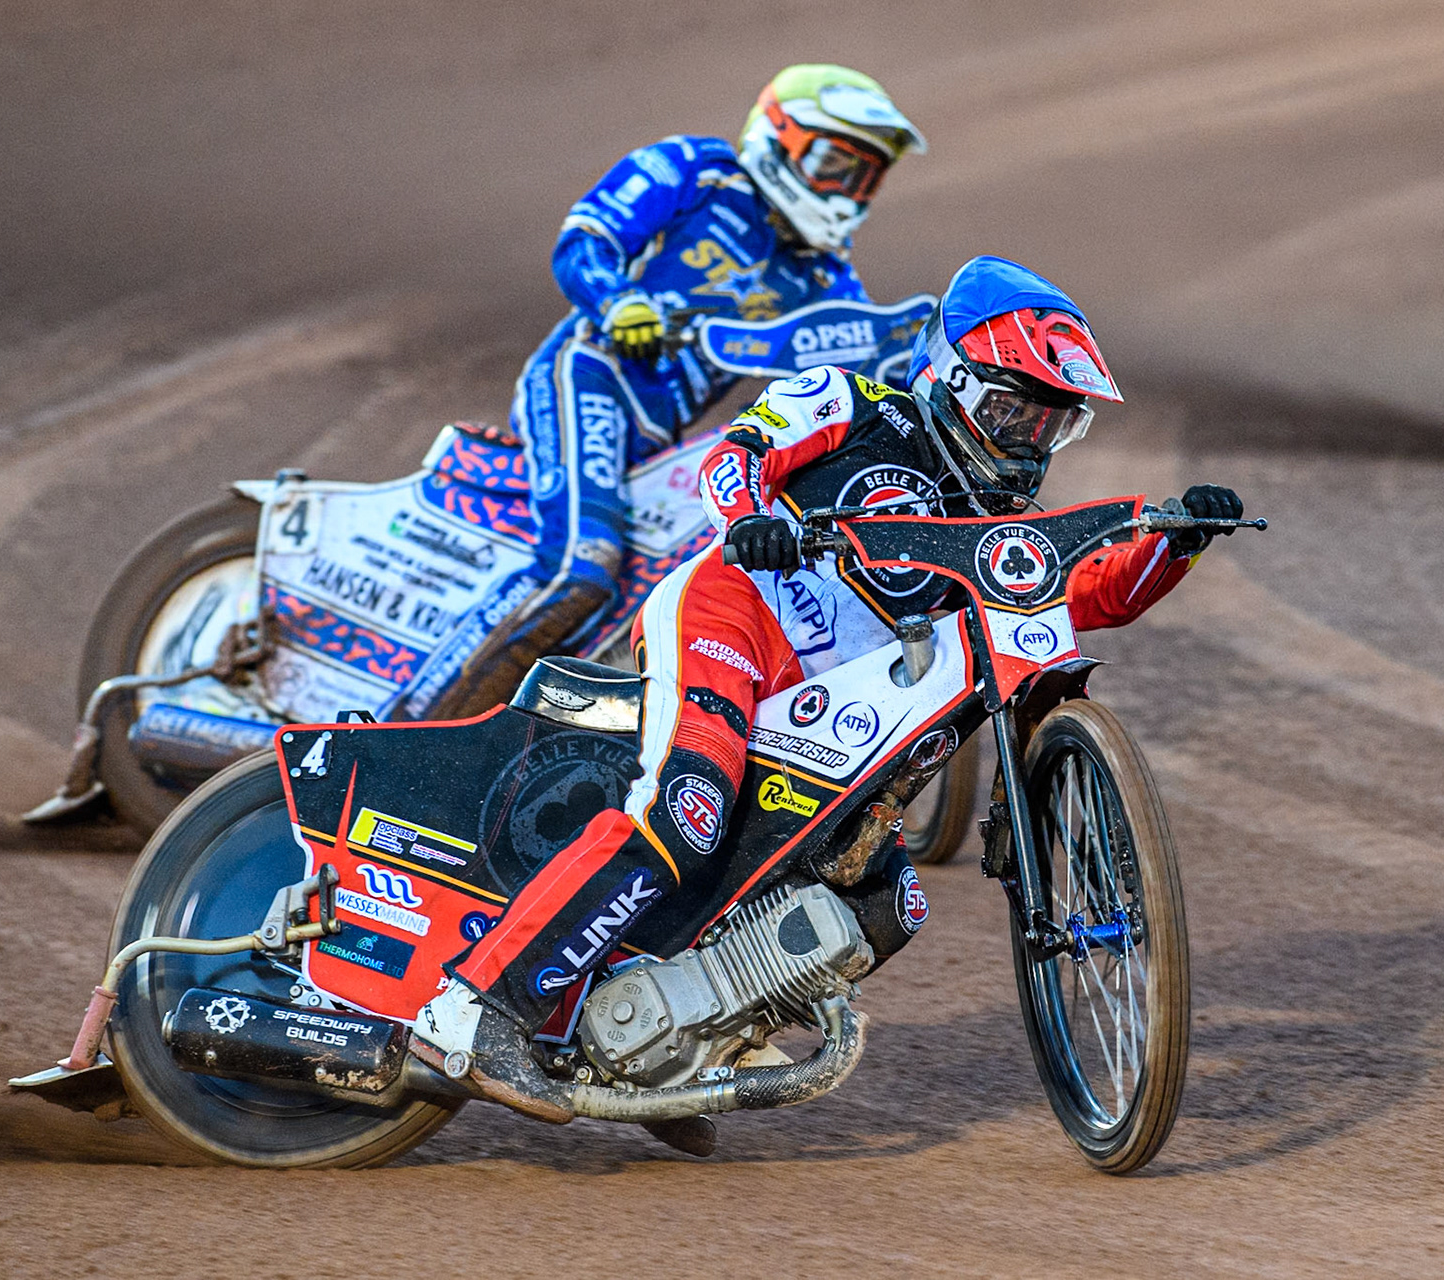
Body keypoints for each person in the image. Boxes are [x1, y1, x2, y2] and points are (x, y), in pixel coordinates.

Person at [411, 255, 1244, 1122]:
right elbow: (741, 453)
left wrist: (1176, 542)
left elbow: (1096, 589)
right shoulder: (855, 404)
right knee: (685, 810)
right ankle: (476, 1009)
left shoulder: (999, 528)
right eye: (1011, 411)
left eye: (1049, 426)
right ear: (952, 378)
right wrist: (754, 521)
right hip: (732, 618)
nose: (1026, 441)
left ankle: (675, 1054)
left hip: (828, 703)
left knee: (888, 901)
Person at [421, 65, 927, 717]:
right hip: (591, 375)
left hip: (664, 442)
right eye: (836, 163)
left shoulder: (826, 279)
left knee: (658, 600)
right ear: (778, 136)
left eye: (867, 176)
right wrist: (618, 301)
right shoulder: (695, 169)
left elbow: (859, 375)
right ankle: (414, 727)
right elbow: (584, 242)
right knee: (585, 566)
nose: (849, 192)